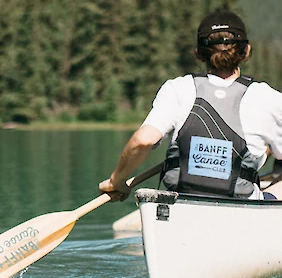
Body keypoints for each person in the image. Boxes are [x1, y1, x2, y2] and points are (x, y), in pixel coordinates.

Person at [99, 10, 282, 201]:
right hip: (241, 208)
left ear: (199, 53)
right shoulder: (268, 97)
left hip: (182, 203)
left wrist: (116, 180)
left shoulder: (178, 88)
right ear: (246, 51)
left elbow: (143, 140)